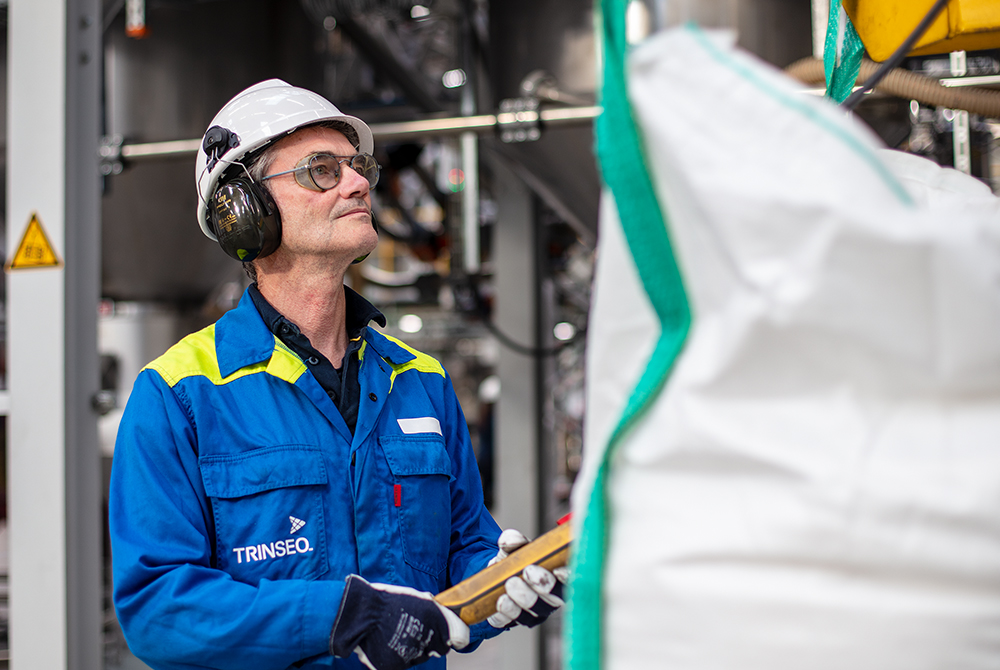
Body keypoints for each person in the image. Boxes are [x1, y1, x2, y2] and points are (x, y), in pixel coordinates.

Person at [109, 79, 565, 670]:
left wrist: (499, 582)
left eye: (358, 167)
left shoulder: (420, 380)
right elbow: (159, 609)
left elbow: (465, 545)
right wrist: (340, 616)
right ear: (244, 210)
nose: (359, 183)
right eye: (321, 170)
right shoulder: (178, 396)